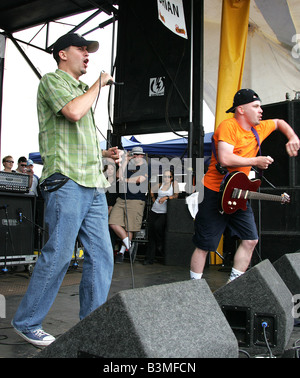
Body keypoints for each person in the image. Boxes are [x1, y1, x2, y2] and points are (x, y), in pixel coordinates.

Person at [12, 32, 120, 347]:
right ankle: (27, 321)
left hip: (93, 183)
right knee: (59, 253)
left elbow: (76, 139)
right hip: (67, 181)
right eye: (81, 49)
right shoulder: (52, 82)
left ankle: (92, 324)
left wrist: (104, 155)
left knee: (102, 255)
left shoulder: (81, 91)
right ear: (62, 54)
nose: (87, 54)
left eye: (89, 50)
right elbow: (72, 113)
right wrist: (98, 85)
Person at [190, 88, 300, 282]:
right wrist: (255, 161)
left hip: (238, 192)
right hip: (215, 192)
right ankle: (194, 288)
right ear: (241, 109)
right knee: (205, 244)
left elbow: (280, 123)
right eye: (256, 106)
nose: (261, 110)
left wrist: (292, 137)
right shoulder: (228, 126)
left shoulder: (259, 128)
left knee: (250, 240)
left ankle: (234, 285)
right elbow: (224, 158)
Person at [109, 146, 148, 263]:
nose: (135, 156)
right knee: (112, 222)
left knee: (129, 227)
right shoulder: (128, 165)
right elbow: (117, 175)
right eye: (133, 154)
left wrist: (125, 180)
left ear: (141, 155)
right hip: (122, 198)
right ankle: (128, 244)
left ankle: (121, 252)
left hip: (136, 200)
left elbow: (140, 179)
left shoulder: (145, 166)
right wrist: (125, 160)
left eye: (137, 154)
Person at [143, 169, 179, 265]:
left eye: (168, 176)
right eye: (165, 176)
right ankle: (149, 258)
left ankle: (160, 245)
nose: (166, 178)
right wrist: (153, 198)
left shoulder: (174, 184)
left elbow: (176, 195)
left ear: (171, 178)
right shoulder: (160, 184)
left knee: (158, 226)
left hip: (165, 212)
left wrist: (167, 197)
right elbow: (151, 190)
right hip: (155, 210)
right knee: (151, 233)